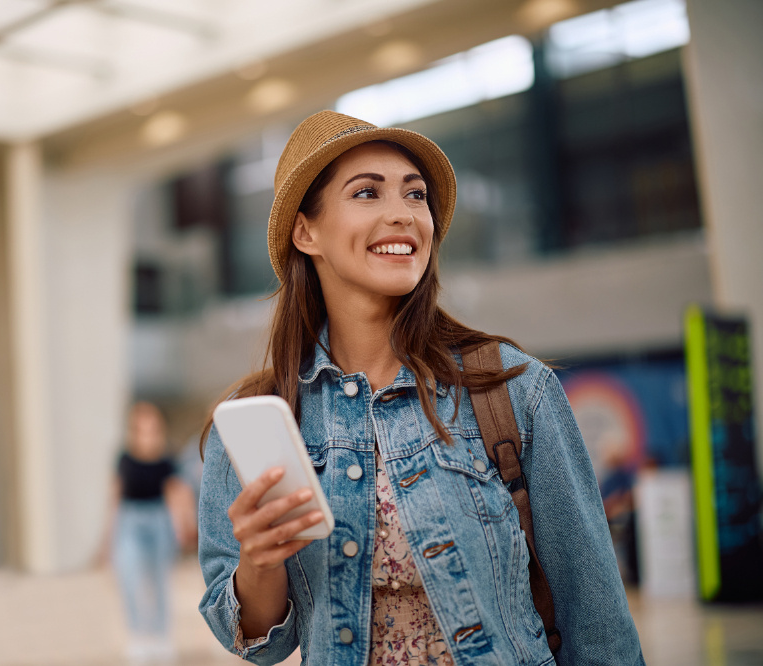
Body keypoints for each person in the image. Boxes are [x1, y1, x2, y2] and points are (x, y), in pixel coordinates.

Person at [197, 110, 645, 665]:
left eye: (415, 195)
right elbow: (261, 643)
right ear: (305, 231)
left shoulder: (514, 390)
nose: (403, 215)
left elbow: (596, 617)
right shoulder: (260, 419)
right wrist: (259, 561)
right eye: (366, 193)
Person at [108, 401, 196, 663]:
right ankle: (137, 635)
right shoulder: (124, 457)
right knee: (129, 577)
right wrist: (107, 538)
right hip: (129, 520)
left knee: (159, 581)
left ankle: (160, 635)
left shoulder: (167, 459)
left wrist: (186, 526)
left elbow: (179, 494)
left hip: (159, 520)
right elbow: (114, 496)